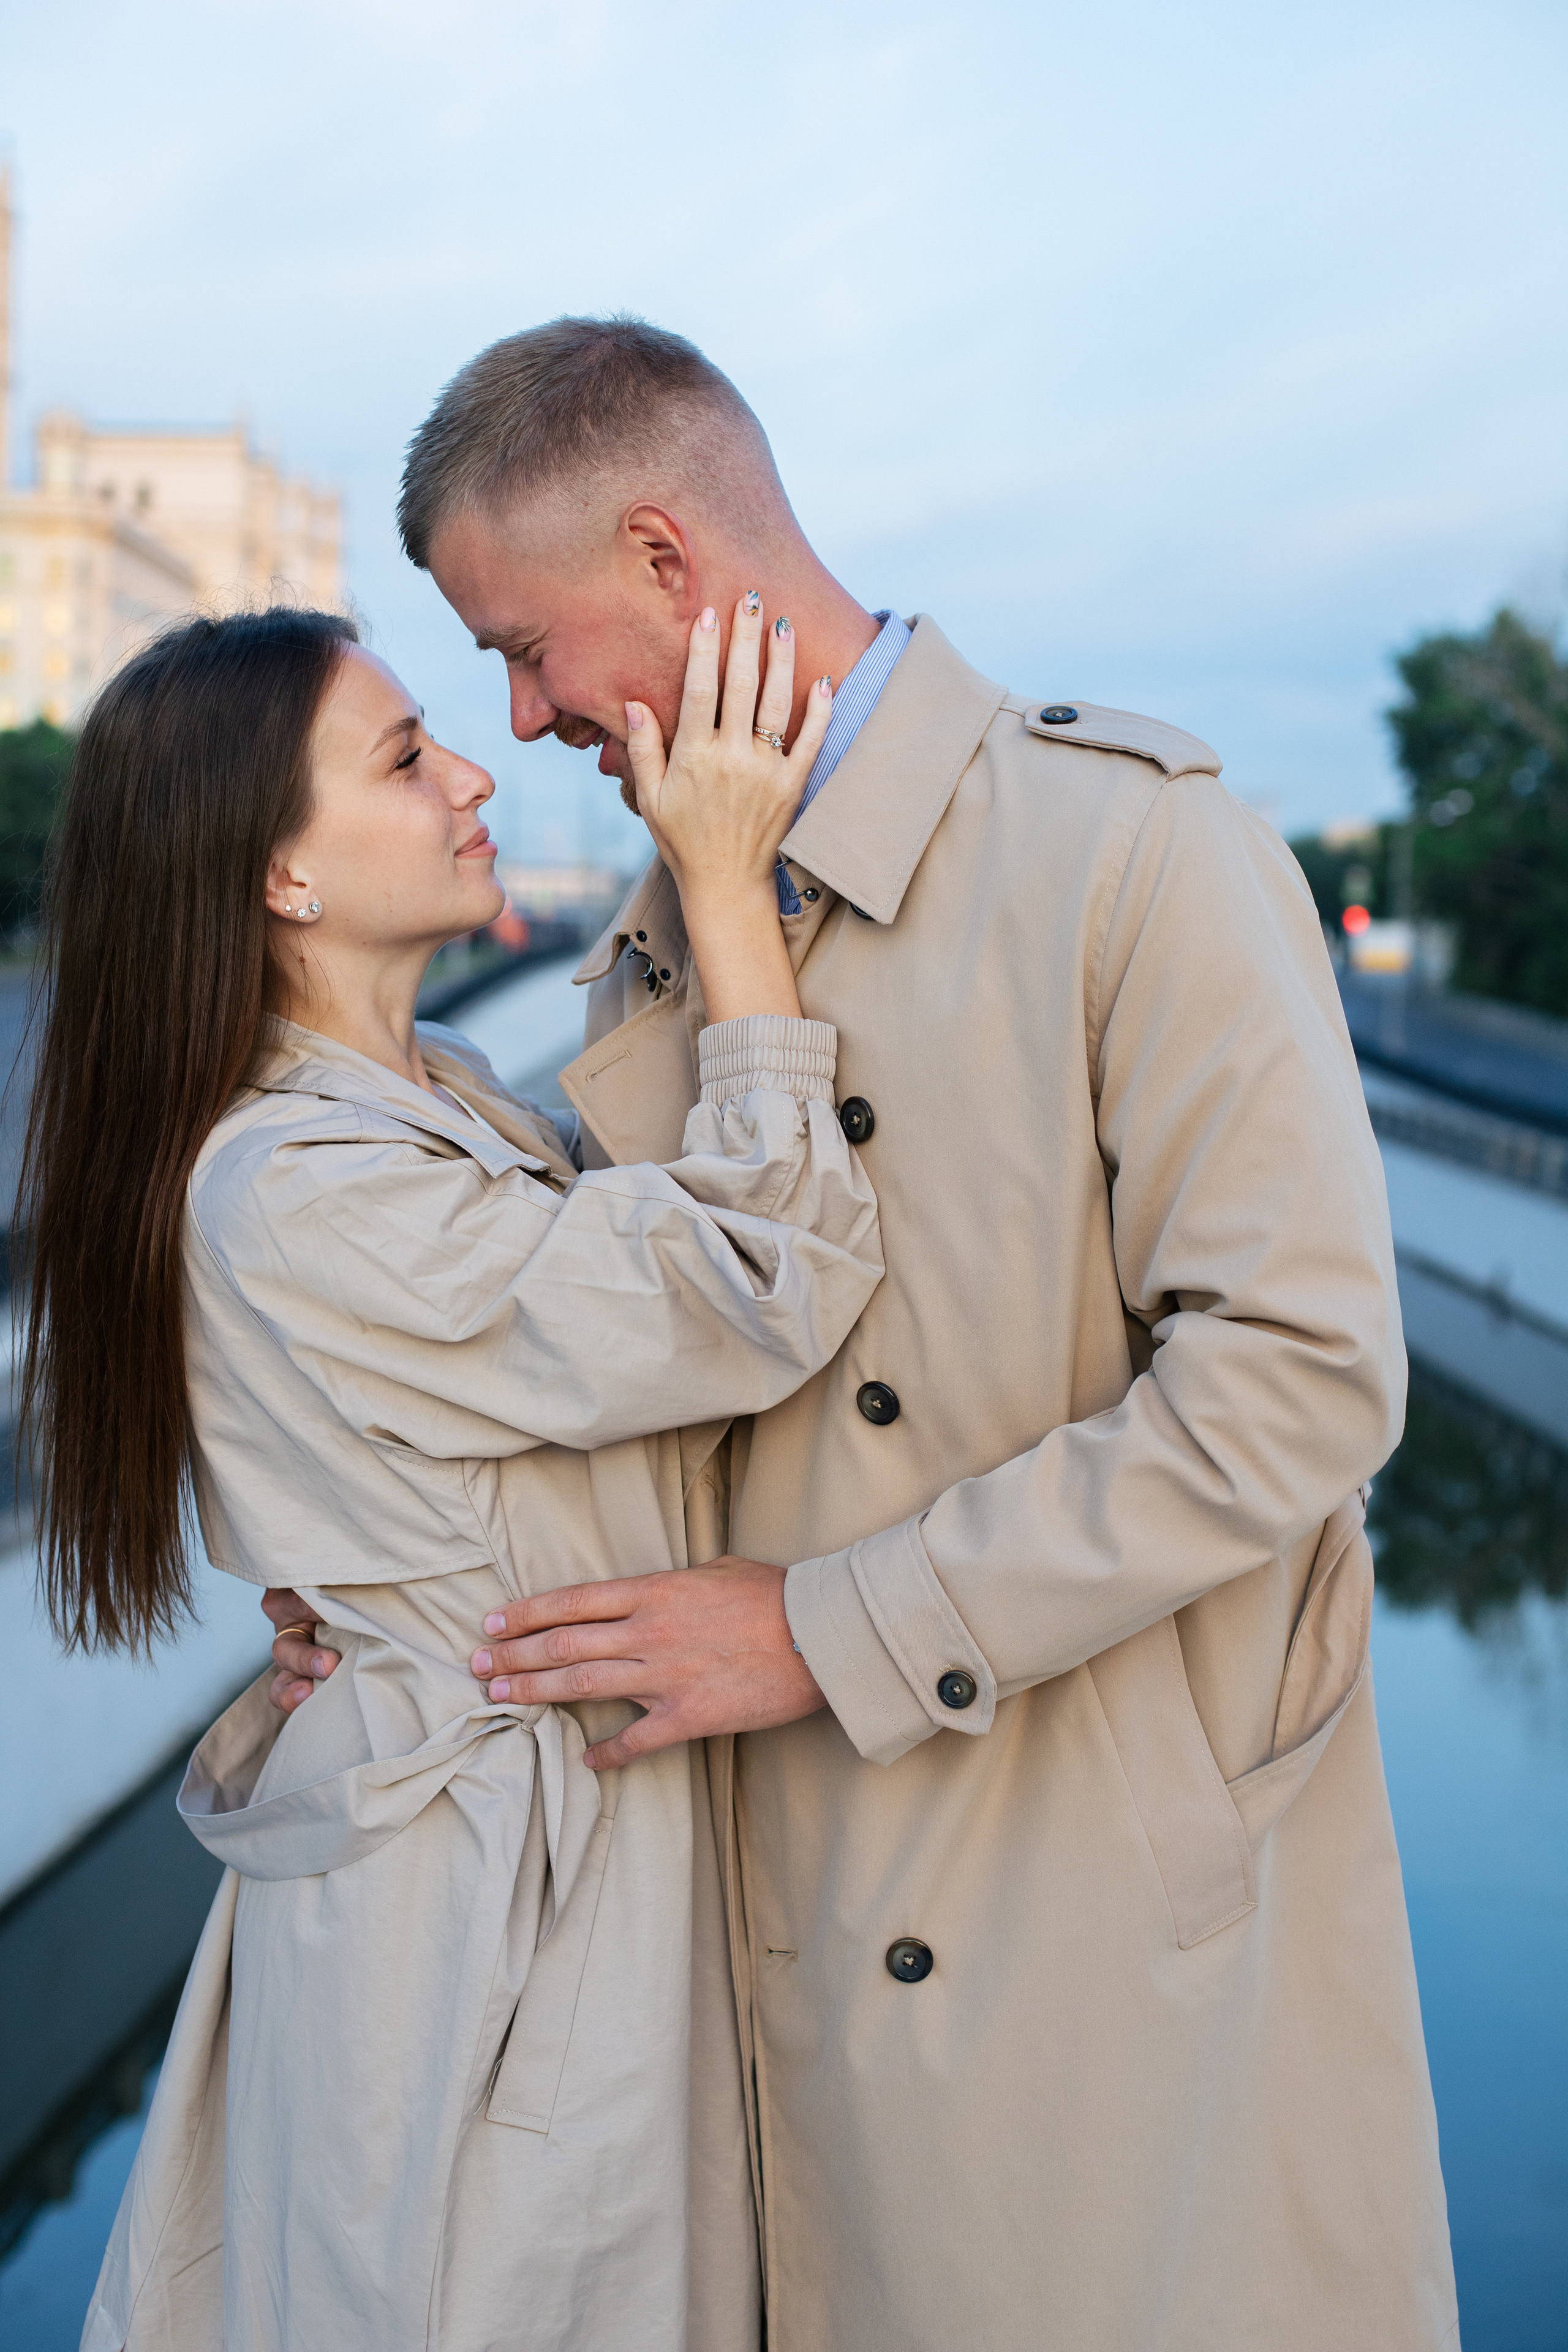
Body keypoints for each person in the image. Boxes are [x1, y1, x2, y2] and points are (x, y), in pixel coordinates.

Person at [273, 317, 1460, 2350]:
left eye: (526, 644)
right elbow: (659, 1380)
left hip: (1090, 1948)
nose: (523, 712)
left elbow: (1301, 1385)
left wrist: (826, 1626)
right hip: (761, 1945)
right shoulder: (662, 926)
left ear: (666, 562)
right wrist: (410, 1605)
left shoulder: (1131, 848)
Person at [23, 597, 883, 2352]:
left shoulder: (442, 1098)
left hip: (517, 1846)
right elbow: (757, 1284)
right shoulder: (306, 1186)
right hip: (491, 1921)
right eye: (407, 756)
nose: (477, 770)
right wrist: (723, 883)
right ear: (281, 876)